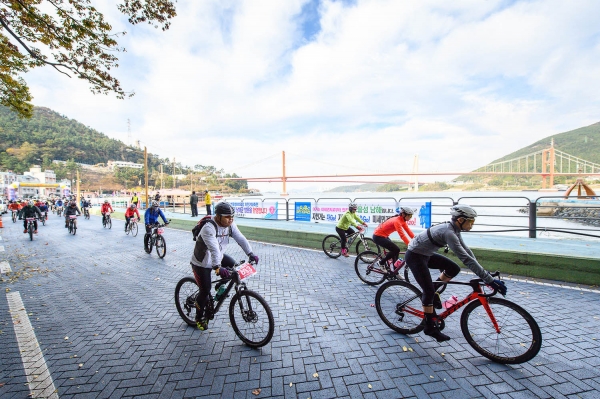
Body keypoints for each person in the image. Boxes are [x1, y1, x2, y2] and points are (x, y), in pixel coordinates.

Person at [405, 204, 507, 342]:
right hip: (415, 256)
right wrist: (489, 280)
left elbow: (468, 253)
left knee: (454, 269)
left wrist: (484, 273)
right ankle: (429, 327)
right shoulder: (449, 233)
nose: (472, 225)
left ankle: (433, 291)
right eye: (470, 222)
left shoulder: (455, 229)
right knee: (427, 292)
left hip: (426, 254)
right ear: (460, 220)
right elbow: (465, 259)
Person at [190, 202, 259, 330]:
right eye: (227, 217)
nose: (231, 219)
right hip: (202, 262)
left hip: (218, 257)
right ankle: (199, 317)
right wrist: (217, 267)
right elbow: (214, 248)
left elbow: (240, 238)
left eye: (232, 216)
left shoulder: (230, 225)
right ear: (218, 216)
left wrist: (250, 253)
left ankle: (219, 286)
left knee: (233, 267)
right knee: (205, 291)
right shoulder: (208, 228)